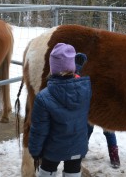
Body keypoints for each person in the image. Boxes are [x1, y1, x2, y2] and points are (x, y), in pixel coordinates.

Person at [28, 43, 92, 177]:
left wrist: (35, 151)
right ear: (72, 67)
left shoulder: (43, 98)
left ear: (52, 68)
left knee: (47, 172)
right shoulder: (85, 89)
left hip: (52, 151)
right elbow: (71, 87)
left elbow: (39, 130)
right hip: (77, 147)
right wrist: (76, 69)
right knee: (73, 173)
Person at [74, 52, 121, 169]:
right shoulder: (90, 72)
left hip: (106, 110)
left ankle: (114, 155)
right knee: (87, 130)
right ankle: (82, 150)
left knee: (109, 132)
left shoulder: (112, 76)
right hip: (91, 108)